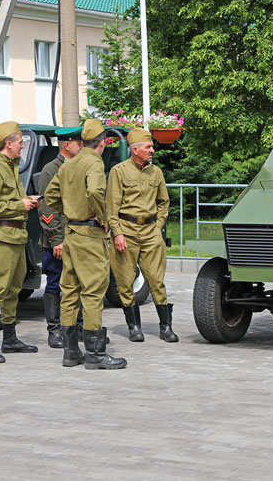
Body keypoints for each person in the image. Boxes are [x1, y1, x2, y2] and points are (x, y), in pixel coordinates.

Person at [45, 118, 127, 370]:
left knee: (69, 292)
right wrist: (101, 217)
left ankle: (71, 353)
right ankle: (95, 354)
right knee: (92, 293)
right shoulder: (93, 162)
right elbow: (94, 192)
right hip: (90, 237)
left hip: (71, 234)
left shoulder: (70, 164)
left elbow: (50, 196)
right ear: (102, 143)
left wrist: (70, 211)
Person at [0, 120, 41, 363]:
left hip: (16, 236)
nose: (23, 146)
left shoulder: (12, 166)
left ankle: (10, 338)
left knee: (14, 289)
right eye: (21, 142)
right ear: (9, 143)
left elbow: (13, 199)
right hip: (2, 237)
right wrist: (19, 205)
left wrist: (30, 201)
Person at [106, 128, 177, 342]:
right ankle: (134, 327)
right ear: (135, 150)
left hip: (150, 231)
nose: (152, 150)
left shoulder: (156, 172)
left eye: (152, 146)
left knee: (156, 280)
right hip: (125, 231)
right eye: (148, 147)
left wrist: (158, 227)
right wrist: (117, 233)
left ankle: (165, 328)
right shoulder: (119, 171)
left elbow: (164, 202)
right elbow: (111, 207)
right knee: (125, 281)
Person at [37, 127, 83, 348]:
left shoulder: (78, 167)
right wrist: (56, 239)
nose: (82, 147)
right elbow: (46, 209)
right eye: (79, 144)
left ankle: (78, 326)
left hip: (76, 237)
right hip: (58, 239)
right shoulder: (51, 169)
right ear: (67, 145)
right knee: (55, 283)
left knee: (79, 283)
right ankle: (54, 330)